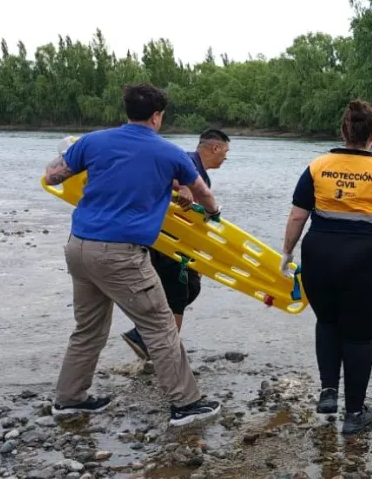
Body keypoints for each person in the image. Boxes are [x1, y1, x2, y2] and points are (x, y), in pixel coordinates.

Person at [43, 83, 222, 428]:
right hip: (121, 255)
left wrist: (65, 156)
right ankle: (186, 404)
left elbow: (52, 177)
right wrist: (212, 211)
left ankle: (69, 400)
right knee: (160, 326)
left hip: (79, 247)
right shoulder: (170, 154)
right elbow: (204, 196)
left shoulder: (93, 141)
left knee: (88, 328)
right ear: (157, 116)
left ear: (128, 111)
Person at [279, 100, 372, 435]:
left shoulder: (317, 166)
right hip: (366, 260)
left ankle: (328, 392)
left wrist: (286, 253)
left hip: (319, 255)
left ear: (344, 131)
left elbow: (298, 214)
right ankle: (354, 413)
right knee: (359, 337)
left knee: (327, 321)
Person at [121, 128, 231, 361]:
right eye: (225, 151)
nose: (226, 157)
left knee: (190, 287)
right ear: (215, 148)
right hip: (165, 241)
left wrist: (199, 257)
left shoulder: (201, 173)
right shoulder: (188, 161)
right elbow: (158, 174)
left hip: (178, 242)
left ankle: (144, 337)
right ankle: (166, 354)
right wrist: (179, 185)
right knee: (179, 293)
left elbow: (196, 220)